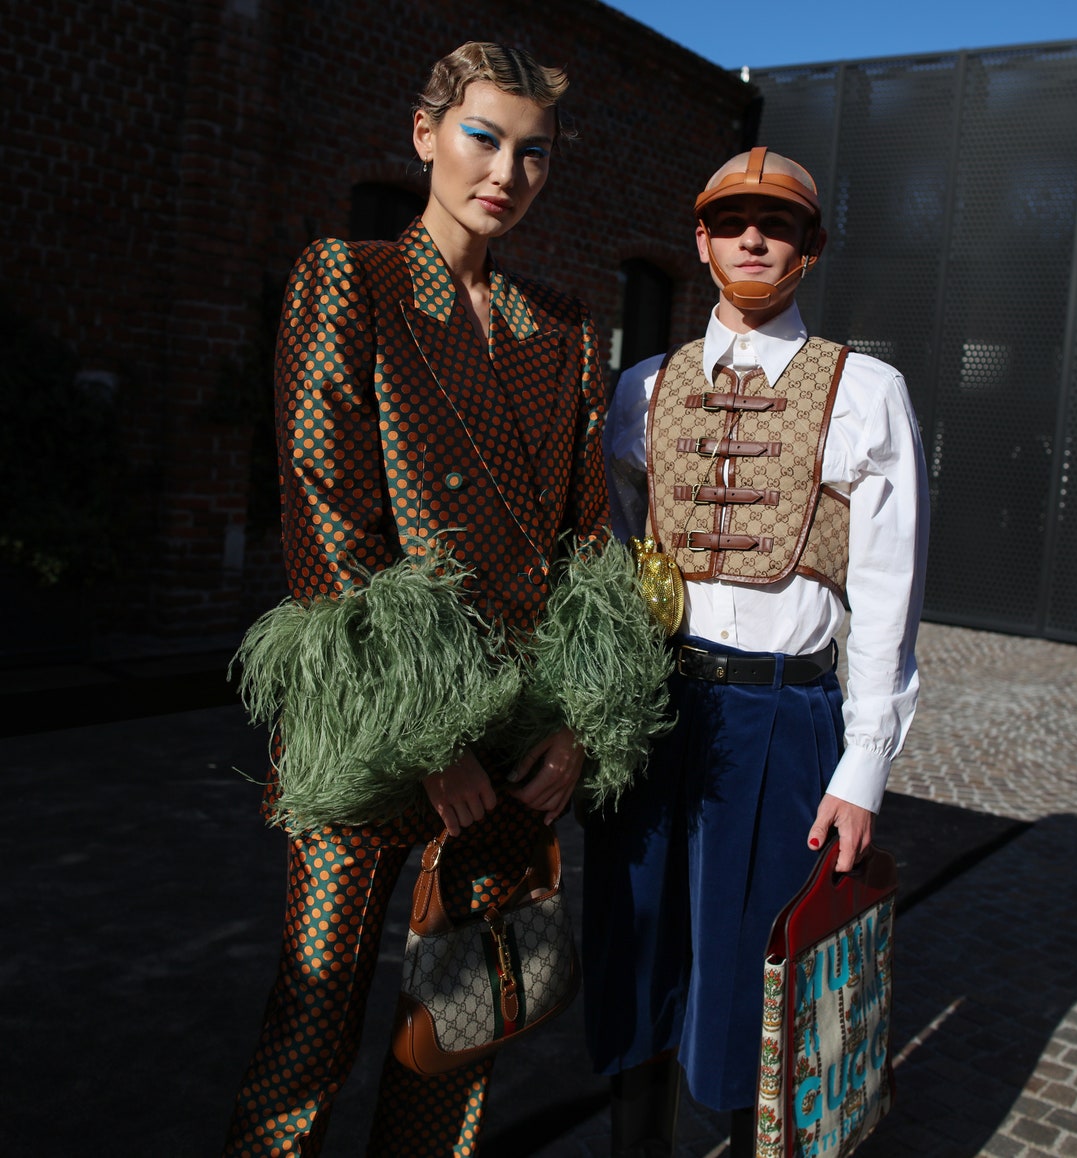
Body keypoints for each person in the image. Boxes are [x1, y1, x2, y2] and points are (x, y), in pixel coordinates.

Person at [224, 43, 666, 1155]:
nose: (506, 172)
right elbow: (331, 533)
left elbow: (586, 546)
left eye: (534, 153)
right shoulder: (349, 281)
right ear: (426, 134)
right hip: (375, 737)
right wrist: (427, 736)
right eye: (484, 137)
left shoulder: (564, 328)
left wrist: (575, 726)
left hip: (510, 745)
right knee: (315, 1020)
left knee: (458, 1031)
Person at [583, 148, 929, 1157]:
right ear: (700, 238)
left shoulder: (866, 392)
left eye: (774, 224)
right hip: (651, 710)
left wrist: (864, 765)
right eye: (730, 219)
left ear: (810, 249)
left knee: (746, 973)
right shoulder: (641, 388)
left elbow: (887, 591)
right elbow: (613, 550)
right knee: (634, 950)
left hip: (781, 716)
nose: (751, 237)